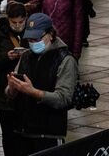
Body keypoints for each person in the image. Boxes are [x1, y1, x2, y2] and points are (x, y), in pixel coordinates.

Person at [5, 13, 78, 155]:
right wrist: (12, 88)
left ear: (50, 34)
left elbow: (63, 98)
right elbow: (9, 93)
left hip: (48, 135)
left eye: (37, 38)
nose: (33, 42)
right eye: (30, 39)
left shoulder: (65, 59)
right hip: (22, 132)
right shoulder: (26, 56)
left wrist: (33, 92)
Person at [0, 2, 27, 156]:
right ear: (8, 20)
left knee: (23, 132)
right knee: (8, 133)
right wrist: (6, 56)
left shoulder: (31, 33)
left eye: (21, 22)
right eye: (14, 22)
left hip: (25, 90)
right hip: (3, 91)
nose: (17, 25)